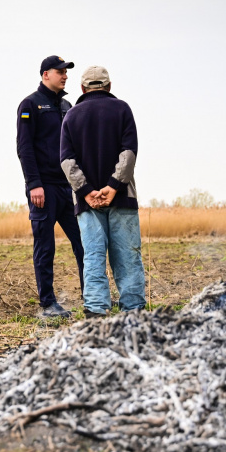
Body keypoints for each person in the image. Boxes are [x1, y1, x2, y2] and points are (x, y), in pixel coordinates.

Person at [60, 65, 146, 317]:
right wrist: (113, 186)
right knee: (128, 257)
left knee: (93, 256)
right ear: (109, 86)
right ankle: (133, 310)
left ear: (82, 88)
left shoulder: (71, 116)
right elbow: (128, 153)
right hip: (122, 198)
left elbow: (67, 161)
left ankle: (96, 310)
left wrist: (86, 191)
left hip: (87, 204)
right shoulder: (122, 109)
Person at [16, 55, 85, 318]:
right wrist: (34, 184)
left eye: (66, 71)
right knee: (45, 247)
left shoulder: (68, 105)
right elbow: (24, 147)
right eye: (60, 71)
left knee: (84, 243)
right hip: (43, 188)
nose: (65, 75)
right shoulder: (30, 104)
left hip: (69, 187)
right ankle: (48, 303)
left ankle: (92, 296)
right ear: (46, 74)